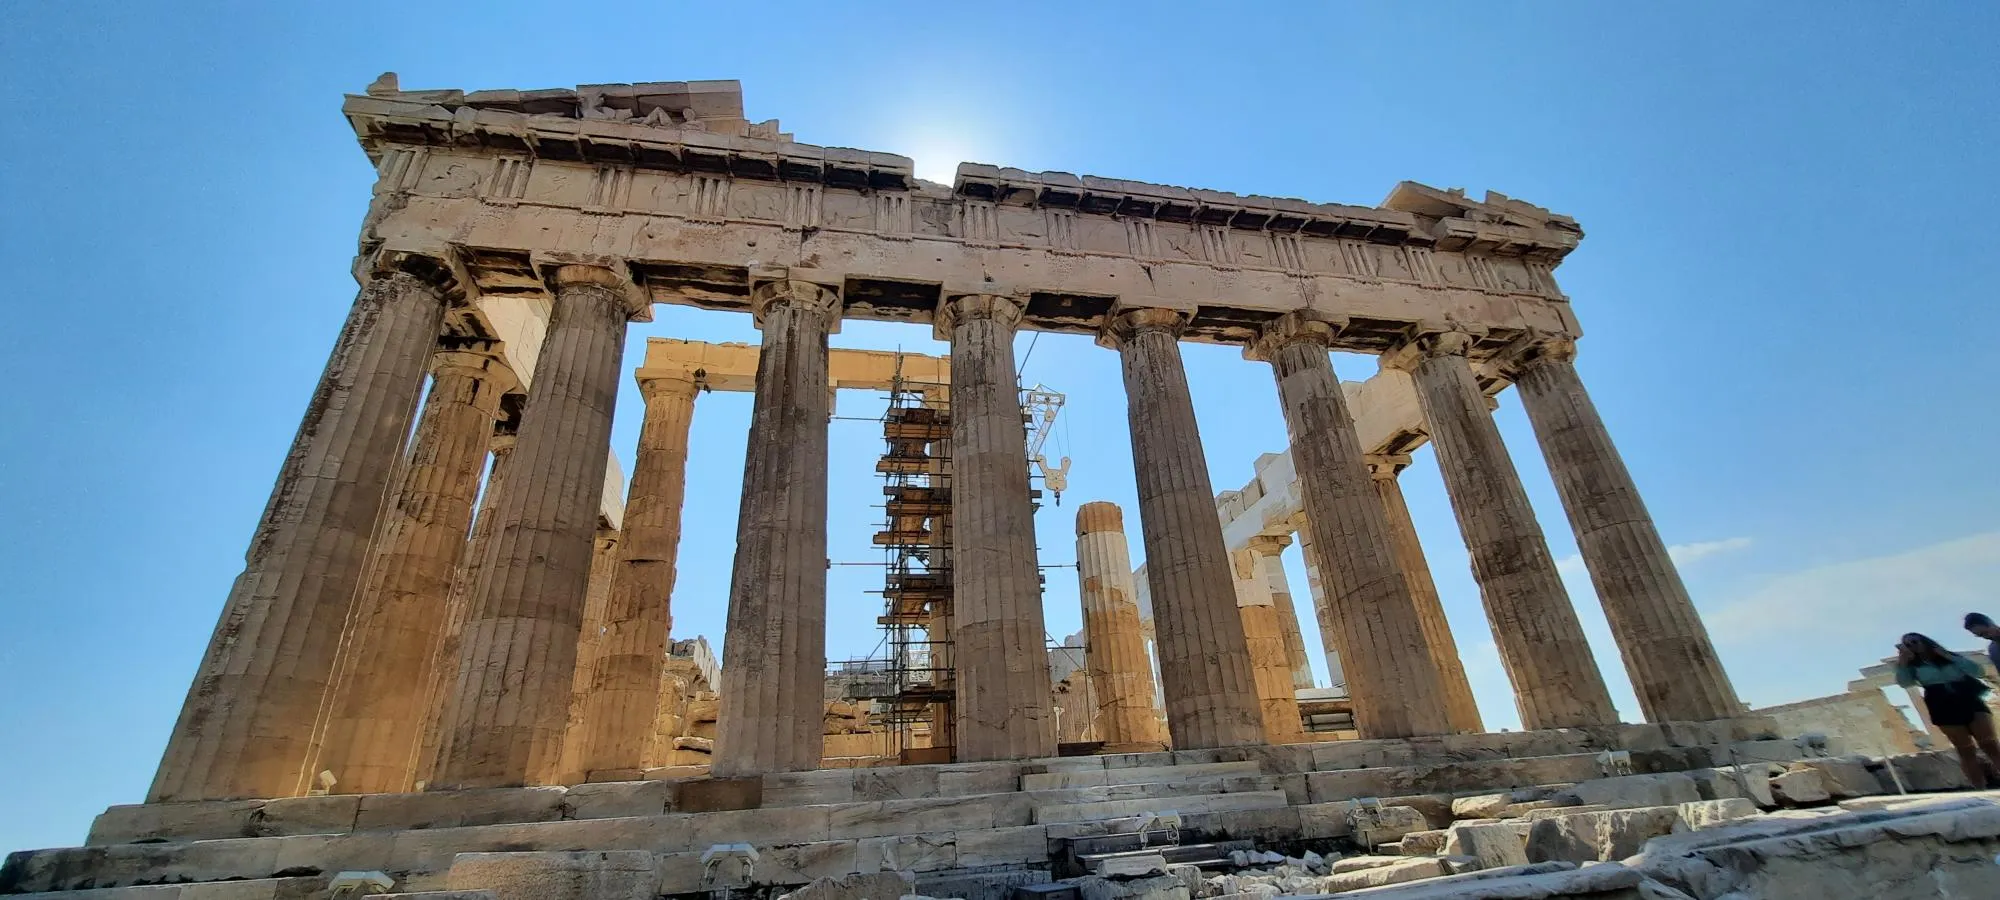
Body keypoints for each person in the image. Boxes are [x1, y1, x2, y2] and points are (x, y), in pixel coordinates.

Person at [1895, 632, 2000, 788]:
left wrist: (1947, 656)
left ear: (1924, 640)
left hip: (1967, 696)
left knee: (1990, 743)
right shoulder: (1911, 665)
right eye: (1908, 645)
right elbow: (1905, 683)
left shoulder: (1948, 656)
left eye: (1915, 641)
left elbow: (1978, 671)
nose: (1912, 646)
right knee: (1965, 750)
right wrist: (1903, 662)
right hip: (1940, 701)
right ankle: (1980, 788)